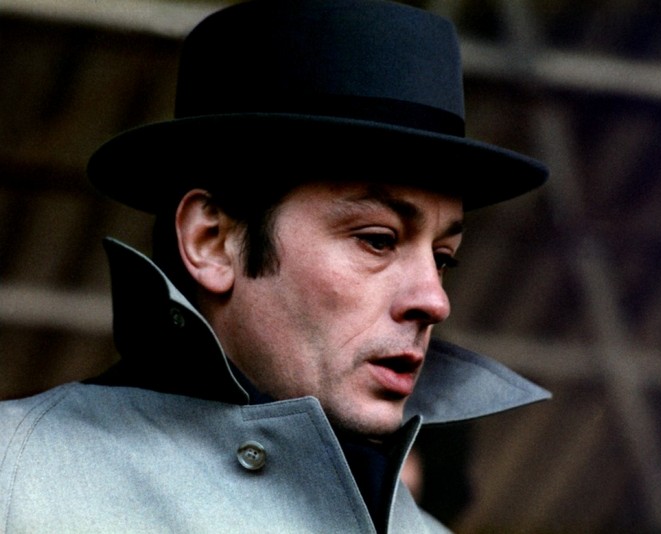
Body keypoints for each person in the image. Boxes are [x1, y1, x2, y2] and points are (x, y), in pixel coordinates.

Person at [0, 0, 551, 532]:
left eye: (443, 257)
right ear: (212, 241)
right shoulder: (17, 479)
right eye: (378, 240)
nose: (435, 300)